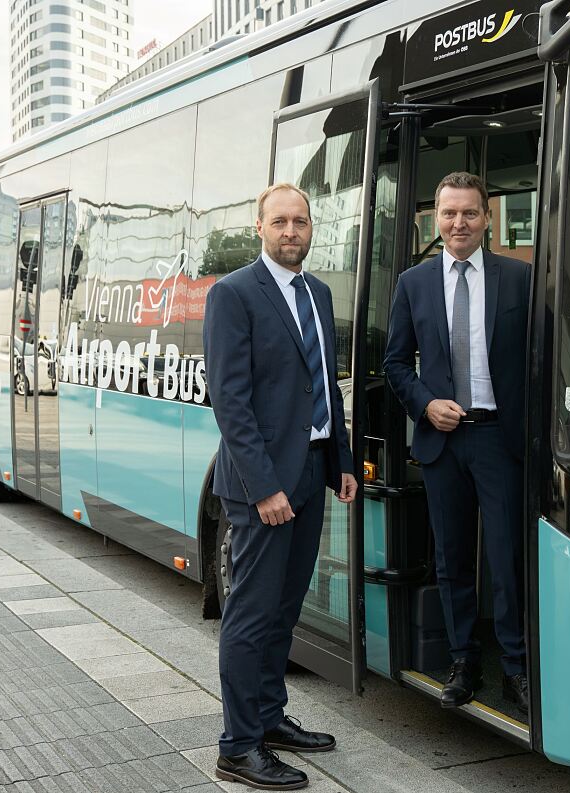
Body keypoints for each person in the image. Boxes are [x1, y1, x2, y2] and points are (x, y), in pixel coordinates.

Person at [204, 183, 357, 791]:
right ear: (259, 227)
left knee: (284, 610)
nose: (291, 231)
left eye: (301, 221)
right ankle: (237, 746)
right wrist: (265, 487)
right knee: (250, 614)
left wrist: (340, 459)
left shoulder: (318, 293)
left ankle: (268, 719)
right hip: (262, 485)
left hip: (311, 470)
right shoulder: (234, 293)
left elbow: (328, 383)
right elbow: (231, 402)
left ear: (312, 226)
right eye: (280, 222)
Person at [384, 172, 530, 713]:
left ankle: (515, 668)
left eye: (469, 213)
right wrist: (424, 403)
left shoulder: (519, 278)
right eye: (448, 214)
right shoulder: (414, 283)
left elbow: (537, 360)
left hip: (499, 440)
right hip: (442, 443)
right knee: (452, 561)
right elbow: (395, 363)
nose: (458, 223)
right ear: (434, 218)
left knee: (505, 558)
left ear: (488, 218)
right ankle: (464, 662)